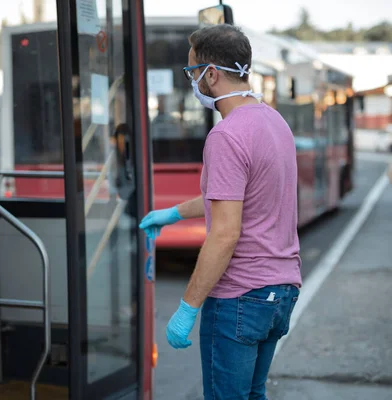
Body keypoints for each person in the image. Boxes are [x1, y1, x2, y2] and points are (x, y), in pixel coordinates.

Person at [140, 24, 302, 399]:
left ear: (210, 74)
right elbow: (238, 197)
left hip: (239, 298)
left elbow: (226, 233)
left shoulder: (226, 136)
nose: (191, 82)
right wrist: (173, 214)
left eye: (191, 72)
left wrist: (187, 307)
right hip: (279, 293)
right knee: (253, 394)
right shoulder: (274, 121)